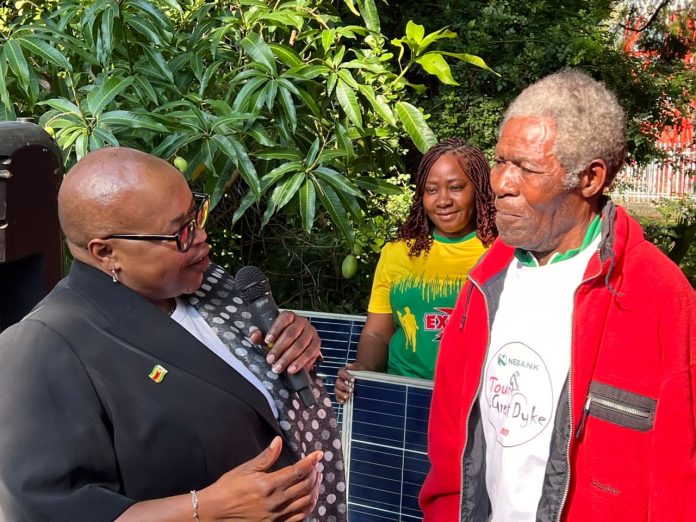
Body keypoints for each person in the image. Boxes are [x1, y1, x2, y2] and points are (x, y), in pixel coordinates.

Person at [0, 147, 347, 522]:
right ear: (106, 252)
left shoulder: (213, 287)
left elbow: (256, 392)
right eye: (180, 232)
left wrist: (296, 343)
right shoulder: (45, 346)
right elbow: (49, 511)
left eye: (196, 215)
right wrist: (206, 509)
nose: (202, 236)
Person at [420, 69, 696, 521]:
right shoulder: (484, 283)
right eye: (500, 161)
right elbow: (450, 441)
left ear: (589, 179)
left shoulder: (657, 298)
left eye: (526, 168)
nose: (500, 183)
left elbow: (680, 480)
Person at [336, 138, 497, 403]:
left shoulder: (501, 254)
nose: (443, 200)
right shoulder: (396, 253)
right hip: (401, 399)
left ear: (479, 189)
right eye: (431, 190)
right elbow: (377, 333)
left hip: (475, 404)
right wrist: (363, 370)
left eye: (456, 187)